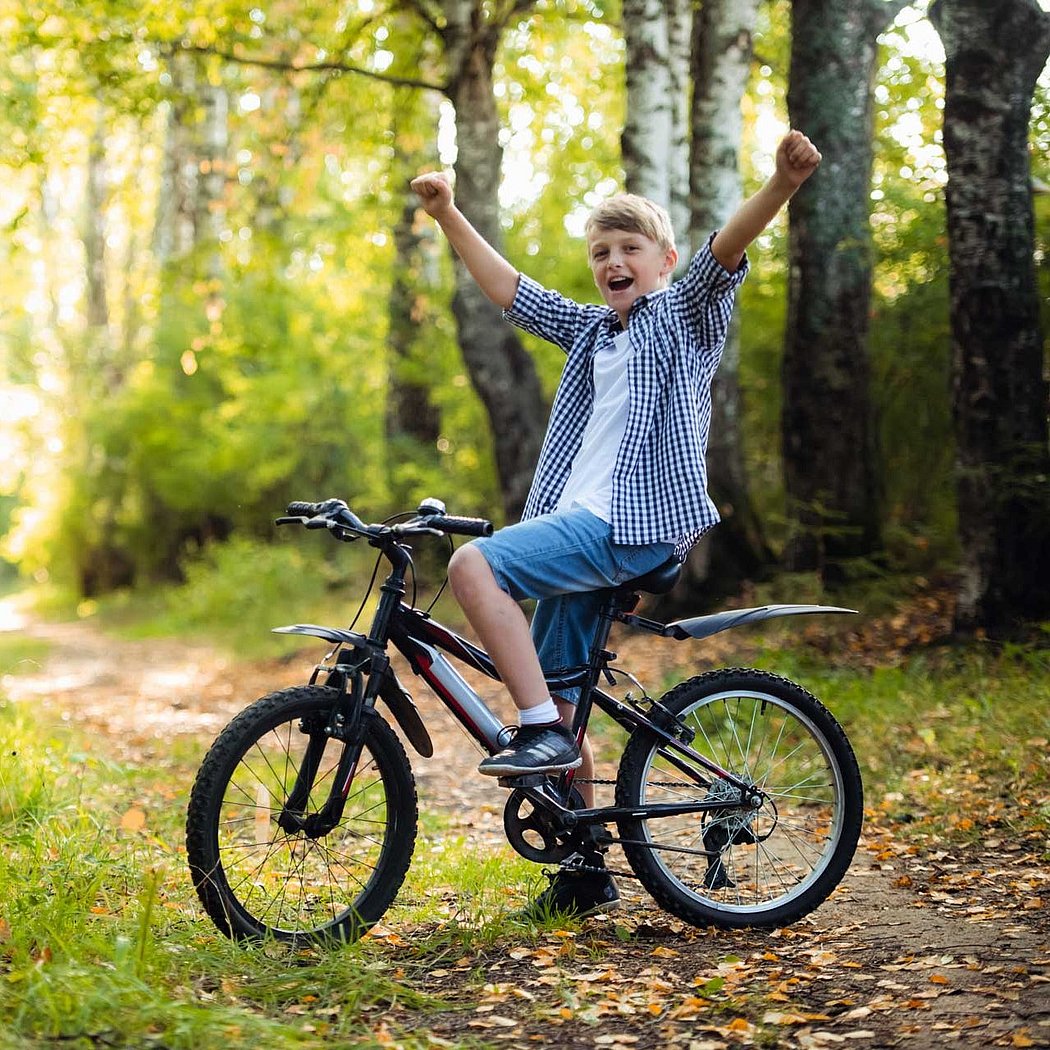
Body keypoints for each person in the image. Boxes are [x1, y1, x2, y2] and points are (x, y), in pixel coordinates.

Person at [410, 130, 821, 917]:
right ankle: (584, 868)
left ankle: (536, 727)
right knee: (565, 703)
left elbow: (725, 250)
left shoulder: (682, 318)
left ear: (663, 261)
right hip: (582, 525)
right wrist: (449, 214)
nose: (612, 263)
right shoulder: (593, 333)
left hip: (631, 525)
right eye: (601, 252)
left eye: (629, 247)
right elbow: (513, 292)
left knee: (474, 568)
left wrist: (780, 185)